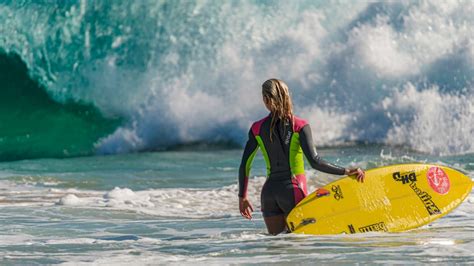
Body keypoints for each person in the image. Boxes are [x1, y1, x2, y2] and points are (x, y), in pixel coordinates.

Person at [238, 78, 365, 235]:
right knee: (302, 248)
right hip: (292, 190)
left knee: (277, 249)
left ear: (265, 99)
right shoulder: (299, 126)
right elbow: (315, 162)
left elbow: (245, 165)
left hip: (269, 194)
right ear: (287, 96)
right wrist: (346, 171)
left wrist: (242, 197)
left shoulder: (256, 128)